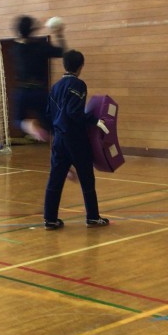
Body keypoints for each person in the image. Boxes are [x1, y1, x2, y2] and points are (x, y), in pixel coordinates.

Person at [43, 49, 110, 230]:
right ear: (81, 66)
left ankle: (50, 219)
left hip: (58, 140)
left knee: (55, 179)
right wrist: (95, 121)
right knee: (87, 178)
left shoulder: (55, 87)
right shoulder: (78, 85)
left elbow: (48, 114)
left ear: (64, 65)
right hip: (75, 140)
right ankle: (92, 217)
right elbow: (74, 112)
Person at [12, 15, 66, 142]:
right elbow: (62, 52)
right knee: (51, 124)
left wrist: (33, 27)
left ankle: (29, 126)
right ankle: (57, 143)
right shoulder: (41, 46)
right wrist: (59, 34)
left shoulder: (15, 49)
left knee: (18, 120)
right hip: (39, 92)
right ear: (32, 30)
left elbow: (22, 38)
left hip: (21, 91)